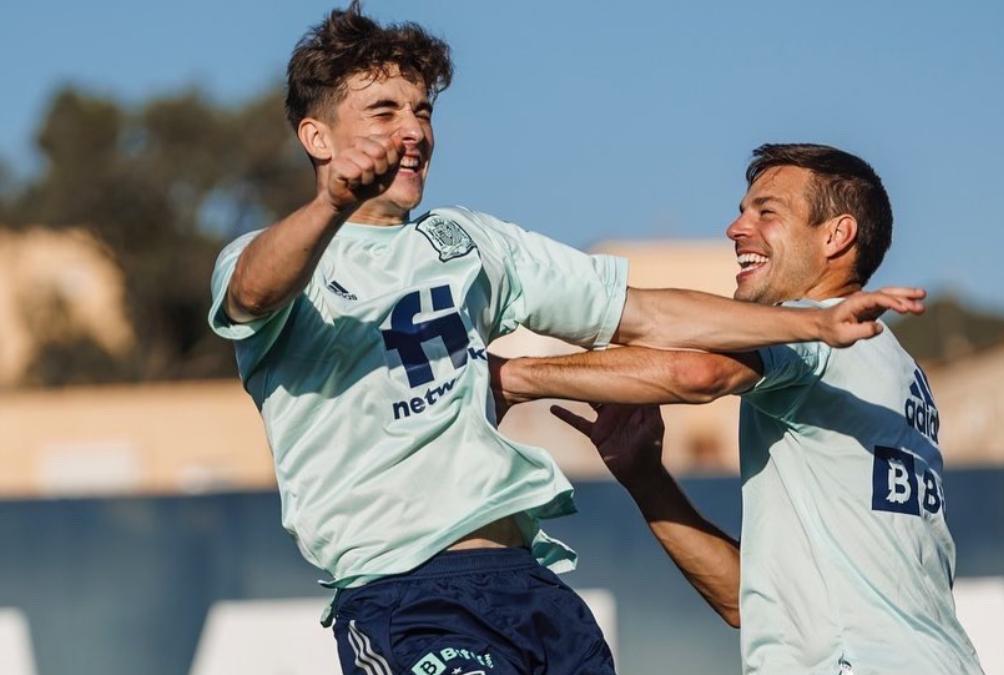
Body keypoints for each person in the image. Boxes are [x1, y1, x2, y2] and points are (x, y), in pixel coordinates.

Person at [207, 4, 924, 673]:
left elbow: (644, 313)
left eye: (423, 111)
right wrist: (333, 199)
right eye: (385, 111)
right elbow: (251, 294)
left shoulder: (472, 243)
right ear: (317, 137)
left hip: (532, 592)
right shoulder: (264, 261)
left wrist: (814, 321)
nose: (415, 131)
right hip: (407, 598)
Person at [495, 144, 984, 674]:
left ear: (836, 235)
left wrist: (514, 377)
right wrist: (644, 476)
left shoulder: (817, 331)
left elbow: (697, 372)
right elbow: (740, 601)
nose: (735, 228)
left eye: (765, 212)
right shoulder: (890, 368)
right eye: (742, 209)